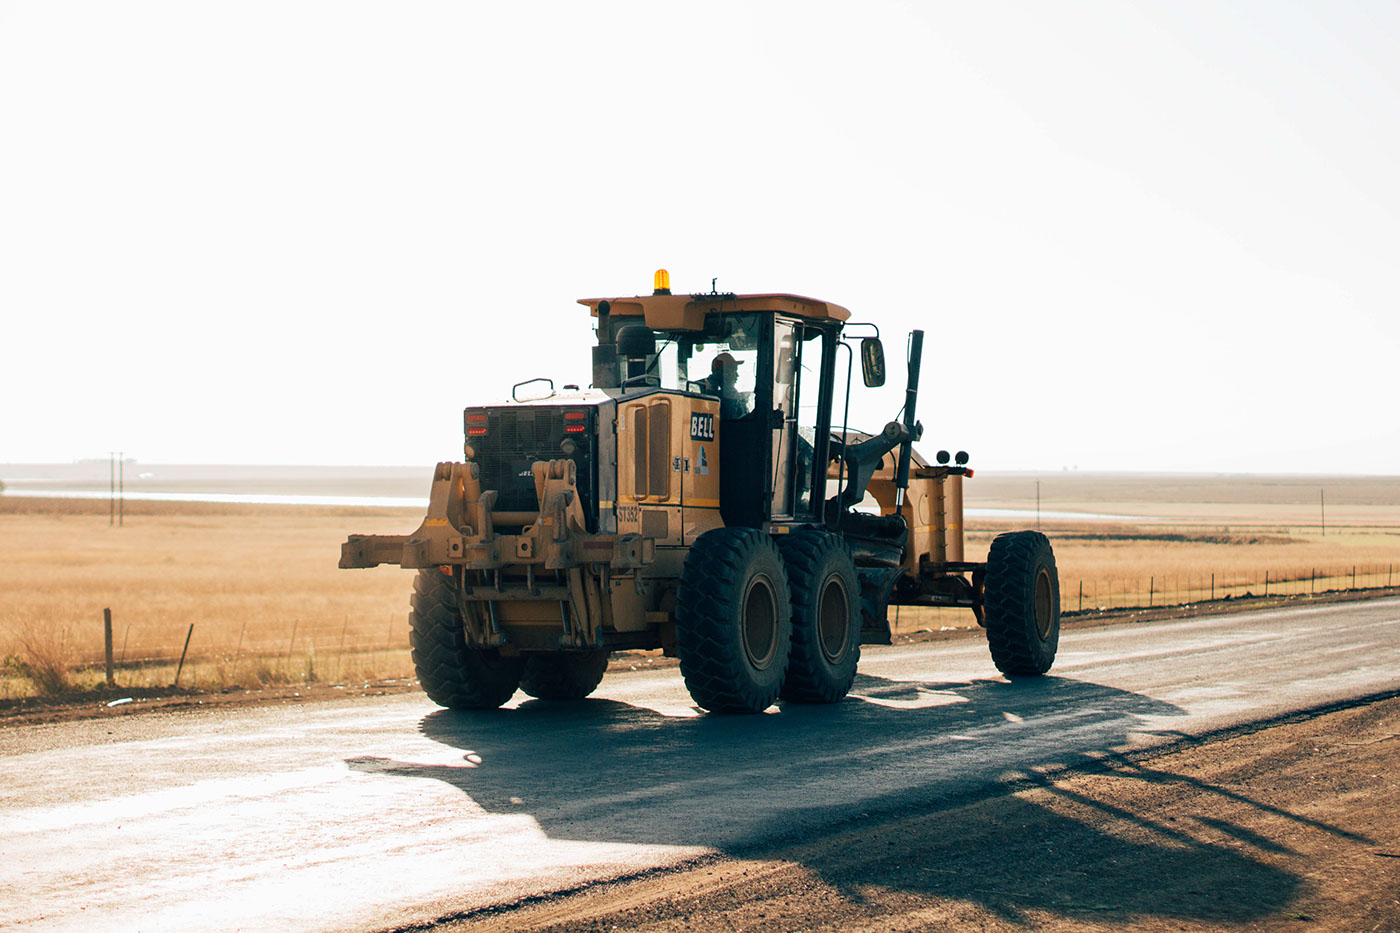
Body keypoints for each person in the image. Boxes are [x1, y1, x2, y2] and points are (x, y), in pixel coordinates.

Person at [703, 352, 749, 419]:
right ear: (724, 372)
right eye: (734, 371)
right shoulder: (723, 395)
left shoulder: (729, 393)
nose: (737, 375)